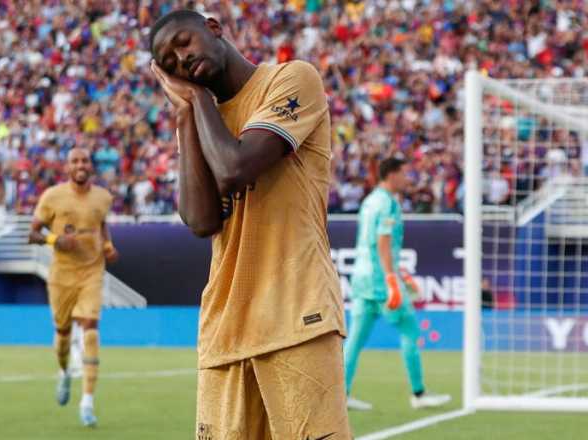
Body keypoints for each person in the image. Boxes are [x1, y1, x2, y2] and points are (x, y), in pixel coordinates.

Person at [149, 10, 349, 439]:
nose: (180, 60)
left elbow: (235, 167)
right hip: (225, 324)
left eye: (183, 42)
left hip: (296, 314)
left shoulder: (292, 78)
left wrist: (198, 100)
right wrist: (186, 116)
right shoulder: (201, 121)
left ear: (214, 27)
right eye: (168, 63)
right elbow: (201, 221)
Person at [344, 158, 451, 411]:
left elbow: (374, 244)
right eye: (404, 174)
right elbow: (382, 242)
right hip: (381, 281)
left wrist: (399, 272)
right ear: (391, 175)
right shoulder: (389, 204)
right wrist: (393, 279)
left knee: (354, 341)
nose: (407, 179)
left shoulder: (369, 201)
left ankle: (340, 395)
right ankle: (419, 393)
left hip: (361, 278)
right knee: (410, 331)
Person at [28, 147, 119, 427]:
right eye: (75, 161)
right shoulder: (52, 196)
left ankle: (87, 403)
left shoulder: (103, 197)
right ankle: (64, 370)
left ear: (91, 165)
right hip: (61, 276)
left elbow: (100, 225)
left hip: (92, 272)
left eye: (84, 160)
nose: (80, 164)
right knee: (64, 335)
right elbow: (32, 233)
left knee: (90, 330)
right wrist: (56, 241)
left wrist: (107, 245)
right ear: (67, 167)